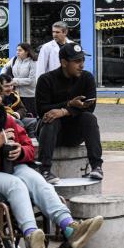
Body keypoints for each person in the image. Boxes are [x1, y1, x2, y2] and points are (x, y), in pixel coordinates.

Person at [0, 76, 103, 248]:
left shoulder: (6, 119)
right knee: (16, 184)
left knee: (36, 179)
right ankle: (31, 233)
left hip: (8, 167)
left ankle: (69, 227)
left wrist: (20, 151)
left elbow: (29, 147)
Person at [35, 43, 104, 184]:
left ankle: (97, 166)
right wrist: (68, 104)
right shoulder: (46, 79)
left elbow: (89, 107)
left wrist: (64, 111)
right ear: (64, 62)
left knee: (89, 118)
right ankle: (45, 170)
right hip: (50, 132)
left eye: (83, 60)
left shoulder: (87, 78)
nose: (82, 65)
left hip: (73, 133)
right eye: (77, 61)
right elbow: (41, 109)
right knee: (51, 118)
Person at [1, 43, 38, 117]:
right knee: (17, 116)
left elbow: (32, 80)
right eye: (17, 50)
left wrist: (14, 81)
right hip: (16, 94)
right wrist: (2, 78)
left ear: (27, 51)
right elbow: (5, 68)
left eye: (20, 50)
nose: (17, 52)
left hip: (29, 96)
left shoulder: (33, 62)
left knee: (30, 116)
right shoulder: (14, 59)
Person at [0, 74, 38, 138]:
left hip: (16, 118)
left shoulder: (14, 96)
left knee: (34, 121)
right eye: (6, 86)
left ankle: (33, 142)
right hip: (2, 122)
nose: (10, 88)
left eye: (11, 85)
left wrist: (15, 115)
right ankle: (22, 142)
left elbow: (23, 109)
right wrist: (12, 117)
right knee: (18, 122)